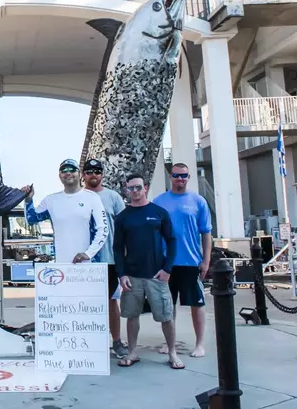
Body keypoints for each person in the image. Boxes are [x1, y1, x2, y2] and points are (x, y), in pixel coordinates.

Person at [113, 174, 182, 369]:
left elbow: (172, 241)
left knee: (166, 316)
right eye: (130, 189)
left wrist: (167, 269)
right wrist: (121, 274)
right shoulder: (123, 217)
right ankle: (132, 352)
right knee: (132, 315)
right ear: (127, 190)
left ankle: (172, 353)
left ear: (145, 187)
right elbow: (117, 248)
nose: (134, 192)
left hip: (156, 275)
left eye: (137, 188)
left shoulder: (159, 213)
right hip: (132, 276)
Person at [153, 163, 213, 358]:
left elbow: (206, 233)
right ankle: (169, 343)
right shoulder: (159, 201)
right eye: (177, 175)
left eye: (184, 176)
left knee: (197, 304)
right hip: (167, 263)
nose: (180, 179)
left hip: (191, 262)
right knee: (168, 306)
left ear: (189, 177)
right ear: (171, 176)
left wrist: (206, 260)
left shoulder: (198, 201)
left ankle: (200, 344)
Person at [82, 158, 129, 358]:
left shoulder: (113, 197)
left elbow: (125, 227)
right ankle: (89, 341)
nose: (94, 175)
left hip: (109, 259)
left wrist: (125, 257)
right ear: (83, 175)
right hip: (83, 261)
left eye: (97, 171)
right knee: (86, 303)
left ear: (102, 174)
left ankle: (116, 341)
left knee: (111, 301)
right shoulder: (76, 196)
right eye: (90, 171)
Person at [22, 158, 109, 264]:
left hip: (88, 267)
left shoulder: (92, 198)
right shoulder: (50, 200)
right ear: (59, 176)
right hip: (61, 266)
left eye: (72, 170)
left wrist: (88, 254)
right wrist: (28, 200)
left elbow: (103, 229)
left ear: (80, 174)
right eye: (64, 170)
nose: (68, 173)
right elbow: (31, 219)